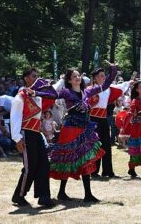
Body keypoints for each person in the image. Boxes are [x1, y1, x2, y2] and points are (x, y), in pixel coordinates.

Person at [44, 66, 117, 202]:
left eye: (79, 76)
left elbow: (106, 85)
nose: (78, 78)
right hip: (70, 130)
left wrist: (113, 70)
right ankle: (61, 192)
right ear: (69, 80)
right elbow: (51, 94)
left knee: (85, 159)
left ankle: (88, 194)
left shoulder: (87, 91)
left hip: (84, 129)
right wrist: (36, 92)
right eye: (74, 77)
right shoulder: (66, 92)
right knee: (67, 159)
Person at [10, 68, 54, 207]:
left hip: (36, 133)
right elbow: (15, 117)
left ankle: (44, 196)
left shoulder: (38, 96)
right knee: (30, 166)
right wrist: (17, 138)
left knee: (44, 164)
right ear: (26, 78)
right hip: (25, 133)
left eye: (38, 76)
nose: (37, 79)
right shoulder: (21, 96)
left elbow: (54, 93)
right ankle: (19, 195)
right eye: (34, 76)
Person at [88, 68, 130, 178]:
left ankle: (108, 171)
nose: (103, 77)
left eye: (104, 75)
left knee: (106, 145)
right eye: (101, 75)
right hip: (92, 119)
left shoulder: (107, 89)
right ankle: (93, 171)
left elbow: (120, 86)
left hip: (103, 119)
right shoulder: (90, 89)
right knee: (95, 145)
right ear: (95, 78)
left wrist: (114, 70)